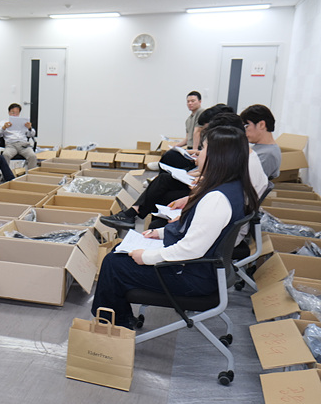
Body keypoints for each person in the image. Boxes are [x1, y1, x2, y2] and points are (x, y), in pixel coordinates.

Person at [92, 125, 259, 328]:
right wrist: (160, 233)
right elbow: (198, 231)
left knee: (113, 264)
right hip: (204, 270)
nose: (197, 154)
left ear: (218, 157)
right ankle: (120, 318)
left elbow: (191, 250)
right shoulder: (232, 187)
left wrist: (146, 257)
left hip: (193, 279)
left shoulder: (216, 199)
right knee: (120, 256)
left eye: (203, 149)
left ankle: (114, 326)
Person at [101, 110, 268, 230]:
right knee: (164, 183)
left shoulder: (244, 163)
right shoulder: (242, 157)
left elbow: (224, 200)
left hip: (221, 222)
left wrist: (193, 195)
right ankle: (133, 214)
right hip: (214, 209)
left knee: (162, 198)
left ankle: (135, 215)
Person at [240, 104, 281, 179]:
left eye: (247, 126)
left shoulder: (267, 155)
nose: (244, 131)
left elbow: (251, 181)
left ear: (261, 125)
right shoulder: (260, 148)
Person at [0, 103, 38, 170]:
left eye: (16, 113)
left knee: (32, 156)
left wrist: (29, 128)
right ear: (9, 112)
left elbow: (32, 135)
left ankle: (31, 174)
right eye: (12, 112)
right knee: (5, 155)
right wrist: (4, 127)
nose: (14, 115)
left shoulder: (23, 122)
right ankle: (5, 174)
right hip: (11, 145)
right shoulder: (3, 123)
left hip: (23, 145)